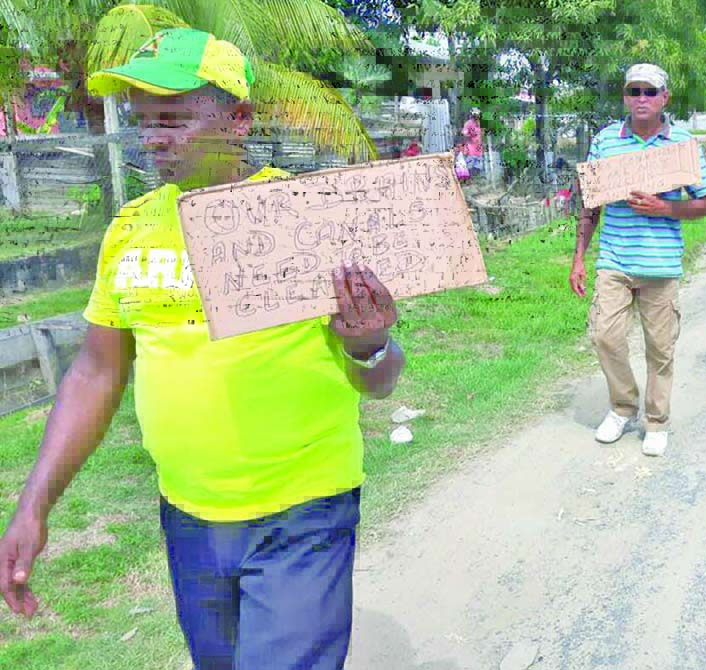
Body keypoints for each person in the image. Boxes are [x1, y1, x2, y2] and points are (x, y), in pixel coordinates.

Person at [0, 29, 405, 669]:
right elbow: (97, 370)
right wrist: (34, 505)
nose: (154, 137)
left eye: (176, 119)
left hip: (302, 514)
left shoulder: (306, 220)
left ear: (238, 119)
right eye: (144, 122)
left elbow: (381, 377)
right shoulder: (129, 229)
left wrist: (369, 344)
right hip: (188, 517)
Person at [569, 63, 706, 457]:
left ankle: (656, 420)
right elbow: (590, 204)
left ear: (665, 97)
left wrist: (664, 209)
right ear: (625, 97)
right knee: (605, 336)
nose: (641, 99)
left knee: (661, 347)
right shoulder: (605, 141)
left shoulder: (682, 144)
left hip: (660, 264)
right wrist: (579, 258)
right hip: (615, 261)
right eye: (634, 91)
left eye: (650, 92)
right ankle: (622, 406)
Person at [462, 107, 484, 175]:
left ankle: (477, 180)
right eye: (475, 115)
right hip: (471, 148)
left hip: (478, 148)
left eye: (478, 115)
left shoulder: (480, 123)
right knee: (470, 165)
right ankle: (469, 179)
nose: (477, 116)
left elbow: (481, 133)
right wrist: (471, 135)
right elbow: (464, 133)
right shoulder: (468, 123)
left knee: (478, 166)